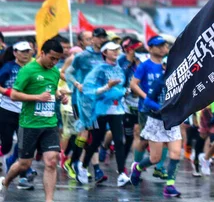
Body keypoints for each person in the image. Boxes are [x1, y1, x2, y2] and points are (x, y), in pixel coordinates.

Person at [0, 39, 68, 202]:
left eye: (57, 59)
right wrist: (37, 98)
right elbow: (14, 95)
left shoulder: (54, 71)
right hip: (29, 124)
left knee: (51, 161)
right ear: (42, 53)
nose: (54, 63)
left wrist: (61, 96)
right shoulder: (28, 70)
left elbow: (52, 90)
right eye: (52, 58)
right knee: (24, 164)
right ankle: (5, 183)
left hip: (49, 123)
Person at [77, 41, 130, 187]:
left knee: (119, 141)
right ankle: (82, 166)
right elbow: (89, 89)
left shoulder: (120, 69)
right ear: (104, 53)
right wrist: (108, 87)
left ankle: (121, 174)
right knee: (95, 141)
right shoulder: (99, 69)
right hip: (100, 110)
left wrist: (125, 92)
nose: (115, 52)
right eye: (112, 50)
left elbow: (121, 87)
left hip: (117, 110)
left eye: (117, 50)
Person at [130, 56, 183, 197]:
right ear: (164, 67)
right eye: (169, 65)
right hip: (156, 122)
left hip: (172, 122)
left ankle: (170, 186)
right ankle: (138, 167)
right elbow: (148, 101)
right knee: (155, 158)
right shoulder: (159, 82)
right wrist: (161, 108)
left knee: (176, 153)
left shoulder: (182, 82)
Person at [64, 28, 108, 184]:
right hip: (81, 101)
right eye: (96, 38)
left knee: (92, 135)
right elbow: (67, 73)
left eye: (104, 37)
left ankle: (78, 162)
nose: (101, 40)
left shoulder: (106, 56)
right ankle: (76, 163)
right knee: (86, 132)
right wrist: (77, 84)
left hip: (99, 102)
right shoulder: (82, 56)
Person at [130, 35, 170, 181]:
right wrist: (145, 96)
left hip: (164, 108)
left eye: (164, 46)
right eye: (159, 46)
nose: (162, 49)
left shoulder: (168, 64)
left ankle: (160, 168)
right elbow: (133, 84)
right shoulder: (145, 65)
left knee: (165, 138)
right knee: (145, 139)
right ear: (150, 48)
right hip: (147, 109)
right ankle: (136, 164)